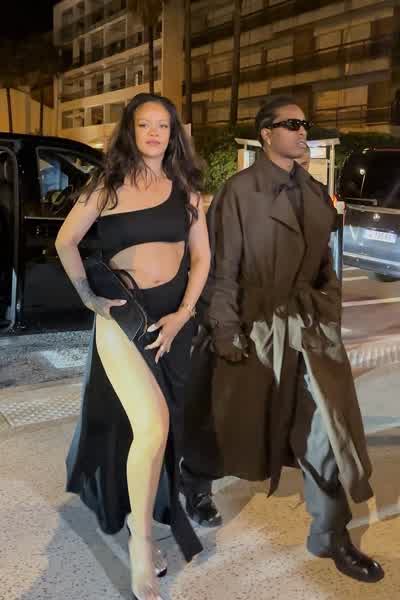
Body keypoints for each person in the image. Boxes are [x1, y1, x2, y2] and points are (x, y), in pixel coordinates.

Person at [181, 94, 384, 583]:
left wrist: (327, 312)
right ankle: (195, 482)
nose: (301, 131)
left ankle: (330, 534)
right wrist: (224, 327)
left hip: (305, 328)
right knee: (229, 421)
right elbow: (222, 268)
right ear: (266, 134)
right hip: (252, 326)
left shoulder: (314, 192)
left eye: (304, 124)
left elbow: (325, 265)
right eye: (290, 124)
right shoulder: (239, 191)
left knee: (327, 429)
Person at [55, 93, 211, 600]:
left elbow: (202, 259)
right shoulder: (107, 185)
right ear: (131, 130)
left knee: (165, 428)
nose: (154, 133)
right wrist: (89, 299)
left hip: (173, 319)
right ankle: (141, 542)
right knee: (153, 424)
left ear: (173, 134)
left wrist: (183, 314)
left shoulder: (185, 189)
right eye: (145, 124)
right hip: (124, 316)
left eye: (163, 125)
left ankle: (143, 513)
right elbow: (65, 241)